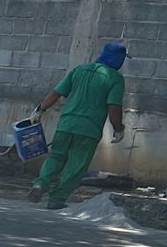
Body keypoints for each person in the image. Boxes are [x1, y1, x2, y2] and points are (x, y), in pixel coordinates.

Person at [28, 40, 129, 211]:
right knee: (76, 166)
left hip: (65, 125)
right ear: (119, 59)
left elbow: (56, 93)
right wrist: (118, 129)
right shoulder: (116, 79)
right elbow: (114, 108)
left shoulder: (79, 70)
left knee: (55, 158)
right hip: (88, 131)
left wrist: (39, 110)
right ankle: (56, 199)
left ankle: (40, 184)